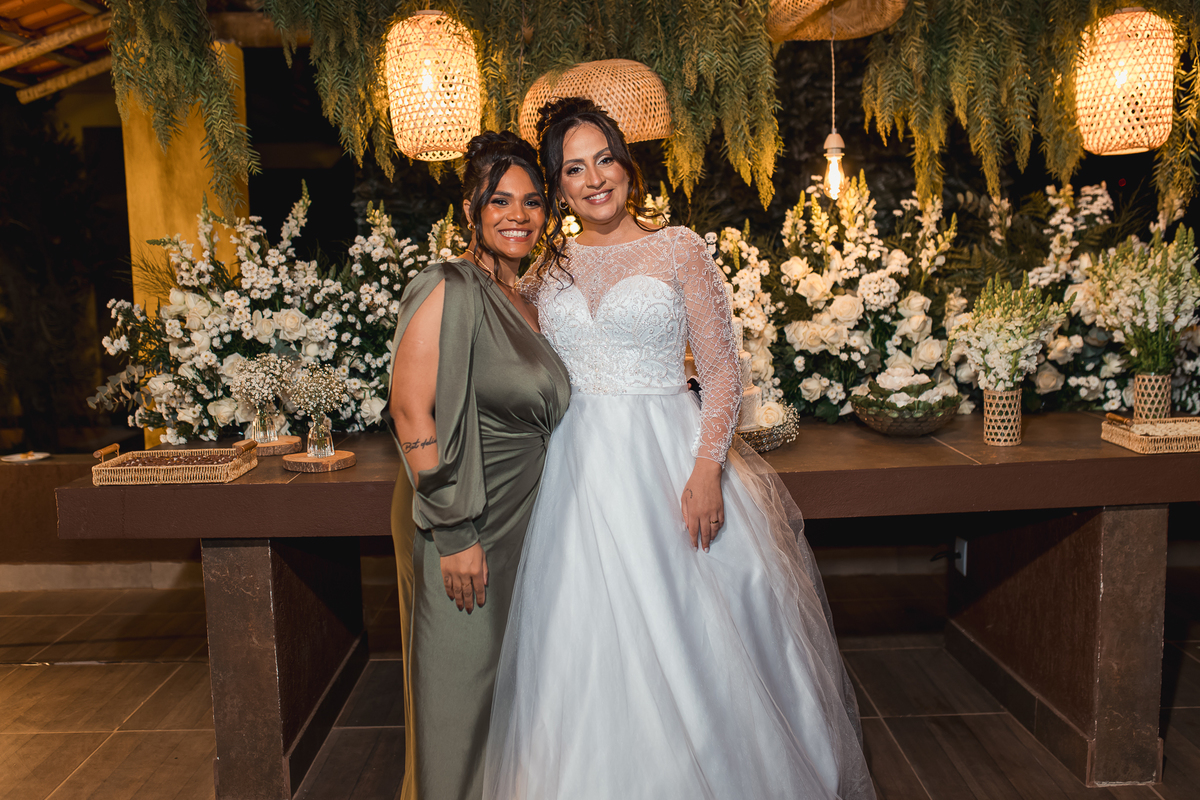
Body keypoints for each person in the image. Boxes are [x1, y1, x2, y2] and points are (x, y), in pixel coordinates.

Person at [482, 99, 875, 799]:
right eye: (574, 169)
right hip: (575, 469)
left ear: (627, 165)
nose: (594, 178)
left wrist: (706, 472)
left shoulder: (679, 248)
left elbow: (723, 373)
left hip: (667, 458)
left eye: (605, 159)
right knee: (581, 634)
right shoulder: (548, 267)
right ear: (558, 188)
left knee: (694, 633)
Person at [387, 130, 571, 800]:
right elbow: (411, 412)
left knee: (507, 700)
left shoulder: (527, 299)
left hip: (524, 524)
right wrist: (454, 529)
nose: (518, 215)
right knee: (457, 704)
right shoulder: (448, 286)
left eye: (532, 201)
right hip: (465, 517)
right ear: (470, 210)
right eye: (500, 201)